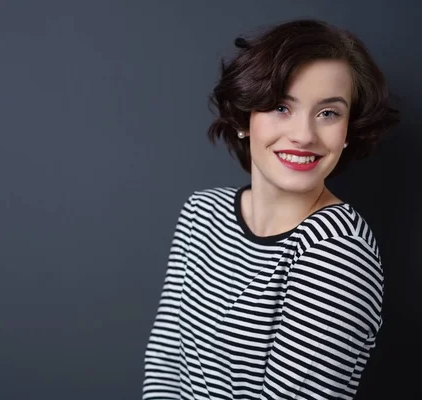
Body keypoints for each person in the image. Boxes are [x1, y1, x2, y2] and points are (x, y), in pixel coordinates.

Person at [142, 19, 399, 400]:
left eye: (328, 113)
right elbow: (164, 364)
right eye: (281, 106)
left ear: (349, 130)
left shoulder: (337, 251)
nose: (304, 135)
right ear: (246, 117)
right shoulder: (201, 213)